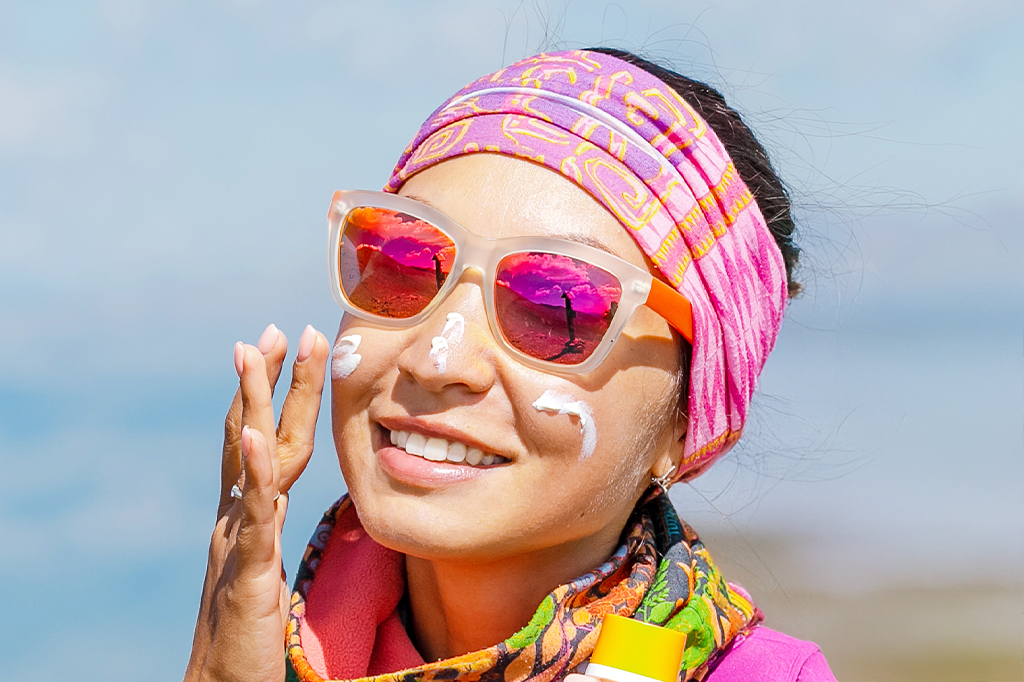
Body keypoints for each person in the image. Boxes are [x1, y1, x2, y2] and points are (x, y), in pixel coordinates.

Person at [183, 48, 837, 682]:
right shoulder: (258, 647)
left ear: (687, 420)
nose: (438, 359)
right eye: (404, 264)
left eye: (559, 307)